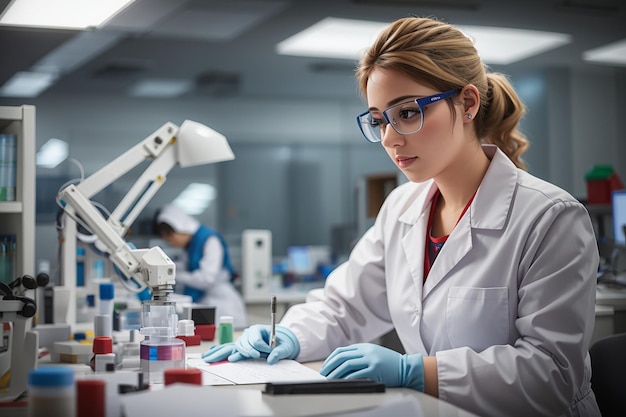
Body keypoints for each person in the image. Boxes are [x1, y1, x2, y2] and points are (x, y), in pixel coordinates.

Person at [202, 16, 600, 417]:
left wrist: (419, 371)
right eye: (378, 120)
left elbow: (552, 374)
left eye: (407, 113)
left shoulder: (550, 218)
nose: (390, 138)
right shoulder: (402, 207)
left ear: (467, 103)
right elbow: (345, 306)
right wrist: (288, 334)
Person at [155, 204, 247, 329]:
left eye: (170, 236)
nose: (170, 242)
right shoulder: (189, 247)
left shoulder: (210, 240)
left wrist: (174, 274)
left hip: (223, 303)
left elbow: (207, 279)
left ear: (180, 227)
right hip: (205, 302)